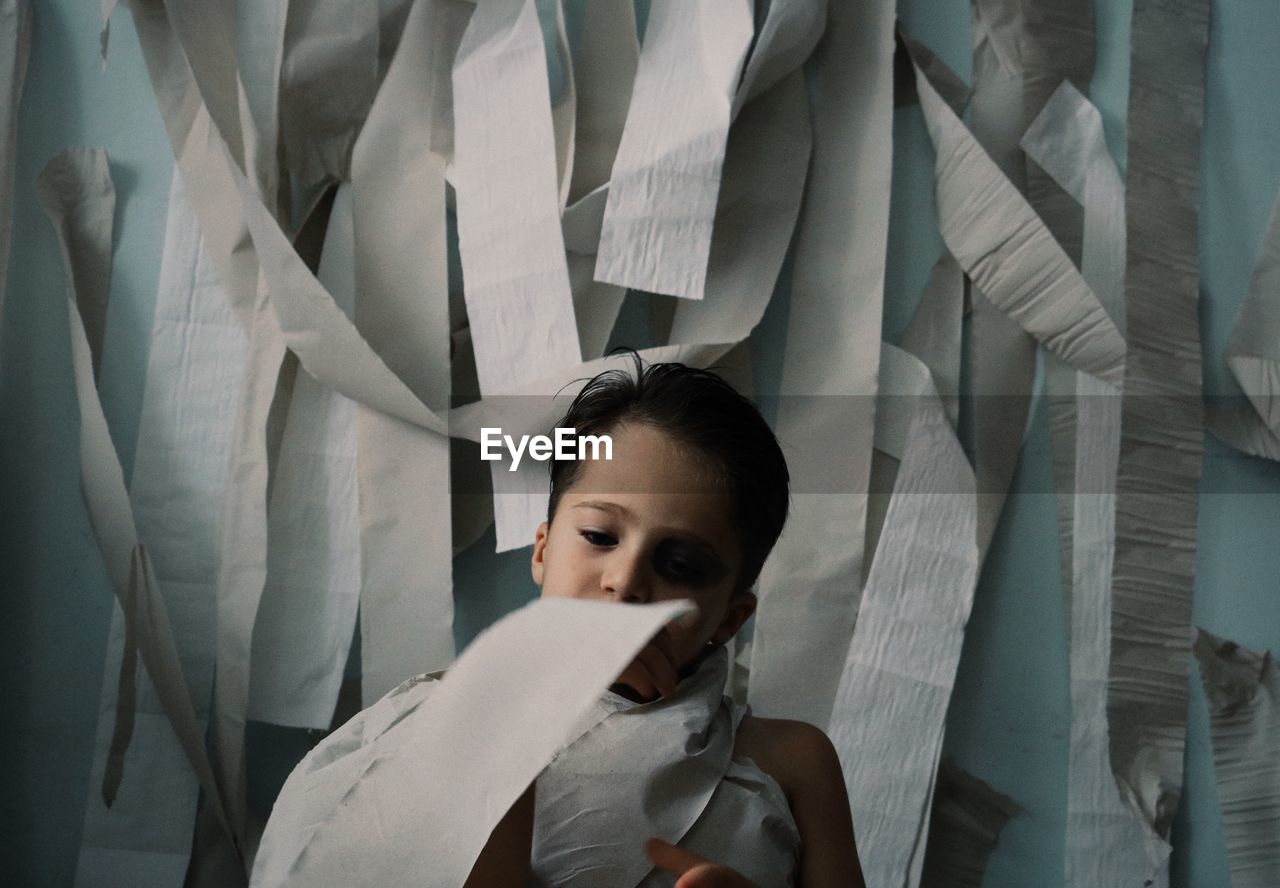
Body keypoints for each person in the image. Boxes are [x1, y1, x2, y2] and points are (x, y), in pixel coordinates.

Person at [466, 353, 865, 888]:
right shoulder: (452, 721)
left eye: (679, 566)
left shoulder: (794, 762)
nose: (625, 581)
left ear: (728, 618)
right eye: (600, 537)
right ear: (542, 552)